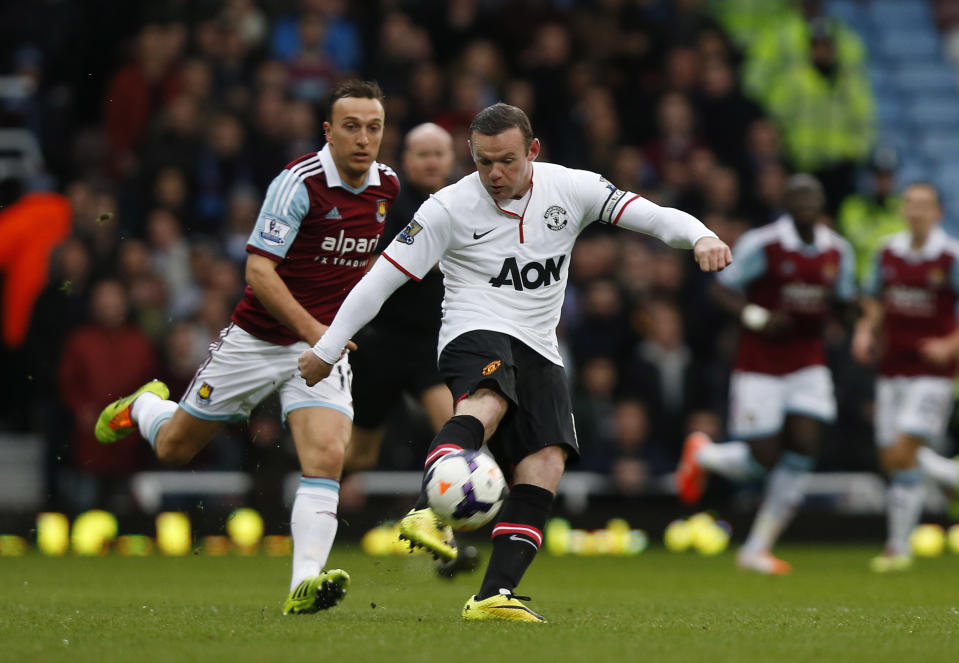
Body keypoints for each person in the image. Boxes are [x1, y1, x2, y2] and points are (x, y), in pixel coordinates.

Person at [299, 102, 731, 622]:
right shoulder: (447, 208)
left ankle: (492, 596)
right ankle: (430, 511)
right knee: (489, 398)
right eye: (483, 162)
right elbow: (380, 281)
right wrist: (326, 348)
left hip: (539, 344)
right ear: (471, 156)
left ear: (533, 151)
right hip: (472, 328)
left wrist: (701, 234)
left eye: (506, 161)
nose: (495, 174)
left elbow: (652, 215)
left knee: (546, 462)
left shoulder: (572, 188)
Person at [93, 80, 399, 614]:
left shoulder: (387, 187)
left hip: (320, 345)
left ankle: (304, 584)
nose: (363, 138)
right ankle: (144, 405)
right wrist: (317, 332)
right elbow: (258, 270)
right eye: (351, 126)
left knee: (327, 456)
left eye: (373, 127)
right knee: (175, 447)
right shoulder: (297, 183)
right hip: (258, 341)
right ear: (328, 131)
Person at [676, 174, 855, 574]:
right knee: (764, 457)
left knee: (805, 446)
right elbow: (722, 289)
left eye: (813, 198)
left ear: (822, 203)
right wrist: (757, 317)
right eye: (799, 199)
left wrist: (854, 317)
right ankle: (703, 455)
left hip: (808, 360)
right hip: (760, 362)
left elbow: (842, 300)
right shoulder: (764, 243)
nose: (807, 206)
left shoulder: (838, 251)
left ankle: (757, 548)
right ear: (787, 205)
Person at [344, 123, 478, 577]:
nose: (431, 161)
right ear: (406, 158)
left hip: (429, 347)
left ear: (450, 158)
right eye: (422, 153)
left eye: (439, 153)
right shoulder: (388, 209)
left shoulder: (464, 204)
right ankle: (308, 501)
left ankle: (442, 538)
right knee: (357, 457)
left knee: (456, 436)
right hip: (379, 345)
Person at [851, 182, 959, 572]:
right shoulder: (886, 252)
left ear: (938, 212)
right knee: (892, 460)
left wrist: (950, 344)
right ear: (902, 211)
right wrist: (865, 331)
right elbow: (875, 301)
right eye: (910, 205)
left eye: (924, 206)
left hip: (933, 372)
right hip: (892, 366)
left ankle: (899, 545)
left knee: (903, 452)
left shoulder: (950, 255)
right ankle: (900, 546)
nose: (915, 212)